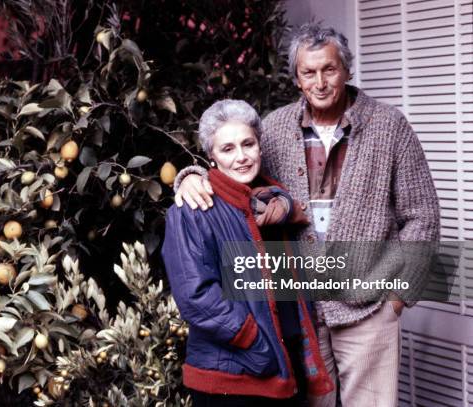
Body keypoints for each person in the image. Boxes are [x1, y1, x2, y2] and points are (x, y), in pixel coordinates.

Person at [173, 24, 440, 407]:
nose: (319, 82)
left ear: (346, 69)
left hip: (369, 308)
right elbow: (237, 167)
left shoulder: (389, 126)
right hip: (299, 311)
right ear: (296, 79)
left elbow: (423, 215)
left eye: (328, 69)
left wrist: (398, 296)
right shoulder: (275, 127)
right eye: (308, 72)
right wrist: (191, 177)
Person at [162, 99, 334, 406]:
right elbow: (195, 295)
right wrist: (253, 340)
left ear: (259, 146)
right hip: (235, 374)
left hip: (287, 364)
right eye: (227, 149)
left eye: (248, 144)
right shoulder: (193, 209)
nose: (241, 157)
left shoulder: (274, 205)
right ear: (211, 157)